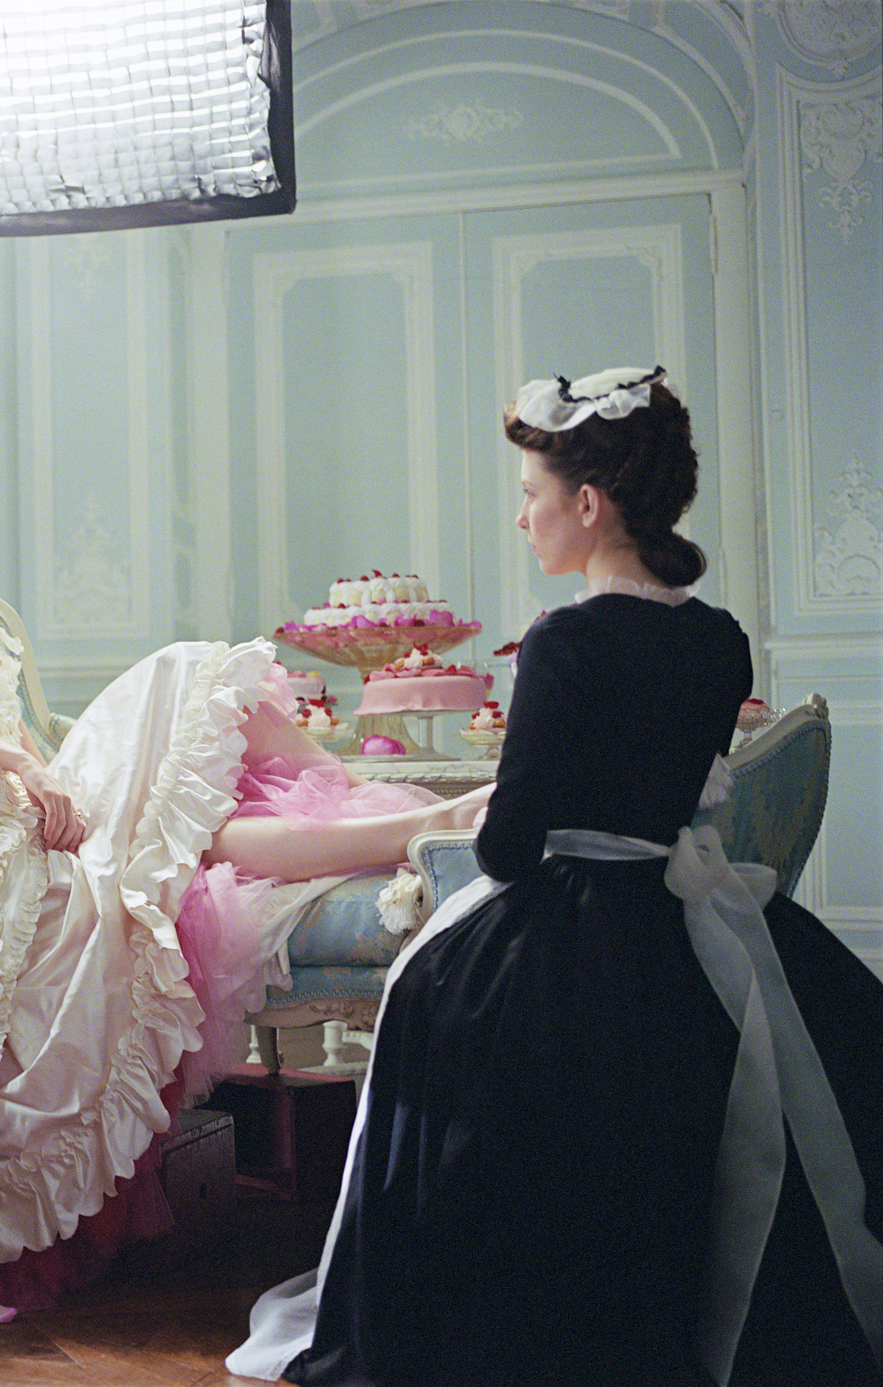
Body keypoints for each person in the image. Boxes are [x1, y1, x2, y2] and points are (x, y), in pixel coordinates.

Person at [0, 431, 495, 1308]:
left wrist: (40, 769)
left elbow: (28, 732)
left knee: (205, 821)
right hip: (6, 824)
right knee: (188, 691)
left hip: (56, 789)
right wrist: (18, 763)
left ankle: (396, 816)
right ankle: (412, 820)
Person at [230, 367, 883, 1387]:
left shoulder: (565, 640)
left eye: (532, 494)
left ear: (588, 503)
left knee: (433, 1001)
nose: (522, 516)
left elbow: (509, 844)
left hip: (575, 930)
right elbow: (678, 793)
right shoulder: (719, 641)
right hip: (683, 926)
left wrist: (487, 825)